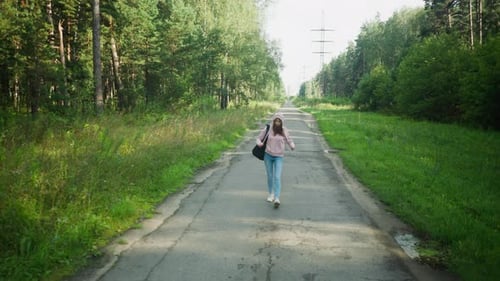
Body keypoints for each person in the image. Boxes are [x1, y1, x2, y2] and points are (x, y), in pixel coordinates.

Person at [256, 112, 295, 208]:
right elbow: (258, 138)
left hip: (279, 157)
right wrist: (259, 143)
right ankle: (271, 194)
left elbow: (289, 140)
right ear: (273, 121)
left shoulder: (284, 130)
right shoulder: (268, 129)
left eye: (279, 121)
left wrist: (292, 146)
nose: (277, 123)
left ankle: (277, 198)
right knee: (270, 176)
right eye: (276, 121)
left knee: (277, 177)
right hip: (268, 155)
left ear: (282, 122)